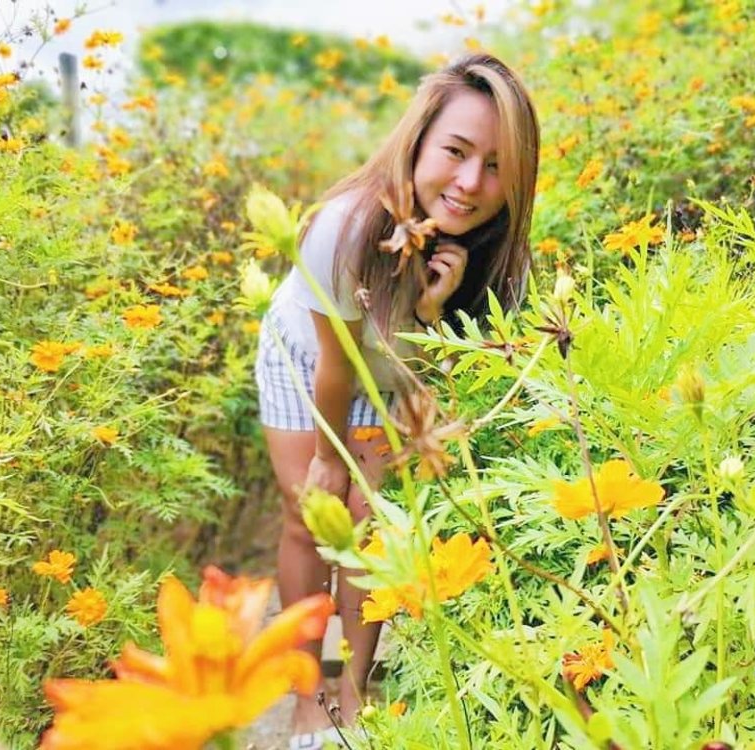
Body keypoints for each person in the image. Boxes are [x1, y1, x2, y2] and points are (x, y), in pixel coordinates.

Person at [254, 53, 539, 749]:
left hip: (396, 374)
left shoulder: (501, 261)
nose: (471, 183)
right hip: (310, 361)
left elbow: (441, 385)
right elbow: (337, 361)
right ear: (419, 141)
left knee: (368, 539)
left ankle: (352, 697)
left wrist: (436, 316)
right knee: (308, 523)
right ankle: (308, 697)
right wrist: (327, 458)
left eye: (497, 166)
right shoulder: (342, 226)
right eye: (458, 151)